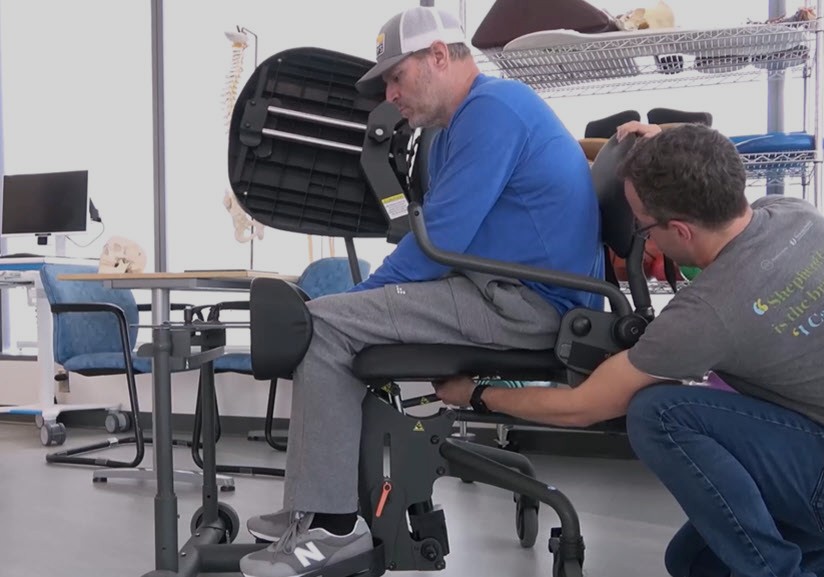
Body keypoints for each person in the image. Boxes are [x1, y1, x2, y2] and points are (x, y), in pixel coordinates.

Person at [434, 121, 824, 577]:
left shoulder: (710, 312)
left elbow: (584, 406)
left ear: (680, 231)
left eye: (643, 227)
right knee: (694, 562)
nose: (642, 238)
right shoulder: (791, 215)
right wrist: (668, 140)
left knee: (656, 412)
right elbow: (719, 167)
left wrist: (479, 395)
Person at [238, 6, 606, 577]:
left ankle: (333, 528)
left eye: (396, 76)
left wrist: (366, 298)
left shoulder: (492, 112)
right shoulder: (468, 120)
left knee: (324, 324)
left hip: (529, 305)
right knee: (336, 319)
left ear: (439, 56)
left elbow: (442, 241)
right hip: (506, 291)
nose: (390, 93)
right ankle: (312, 509)